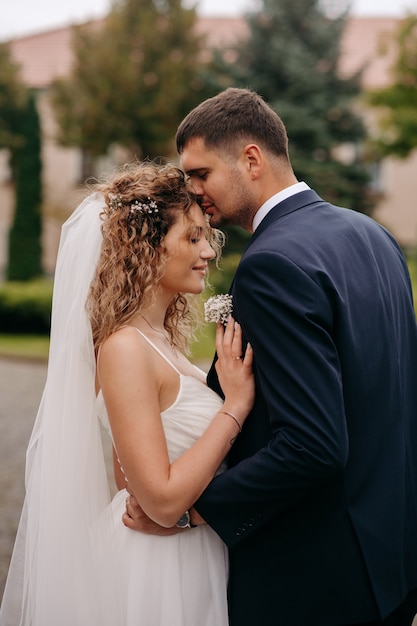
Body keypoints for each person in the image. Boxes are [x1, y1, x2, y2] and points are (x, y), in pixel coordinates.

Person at [124, 88, 417, 626]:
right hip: (392, 567)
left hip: (313, 583)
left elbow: (314, 445)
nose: (193, 192)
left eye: (201, 173)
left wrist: (194, 510)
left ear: (251, 159)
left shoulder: (273, 263)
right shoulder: (375, 237)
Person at [0, 161, 254, 626]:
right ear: (149, 249)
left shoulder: (158, 340)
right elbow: (158, 501)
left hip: (190, 549)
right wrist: (234, 407)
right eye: (191, 238)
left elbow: (127, 473)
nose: (207, 253)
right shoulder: (123, 348)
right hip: (160, 568)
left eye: (206, 238)